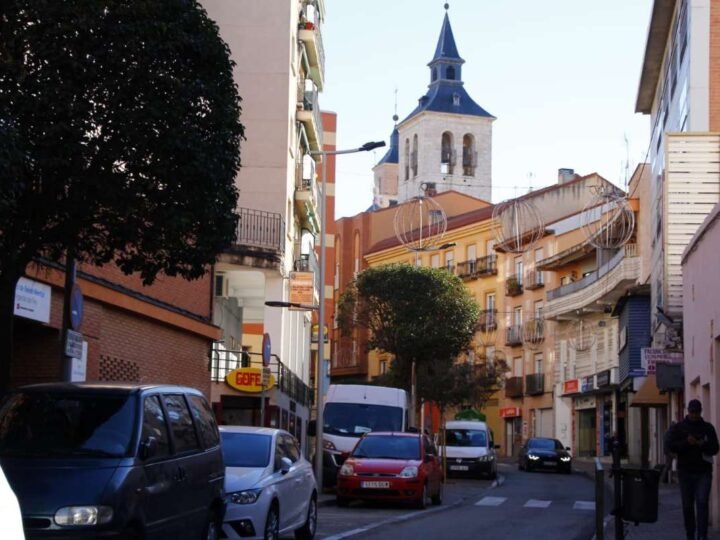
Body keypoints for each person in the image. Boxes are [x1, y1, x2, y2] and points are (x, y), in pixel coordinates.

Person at [667, 399, 719, 540]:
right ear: (688, 411)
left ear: (700, 411)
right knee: (687, 505)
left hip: (703, 472)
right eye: (692, 412)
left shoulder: (707, 428)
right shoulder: (680, 427)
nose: (694, 415)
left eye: (696, 412)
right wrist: (686, 443)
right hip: (685, 471)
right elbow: (670, 445)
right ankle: (690, 535)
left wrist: (700, 444)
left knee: (702, 503)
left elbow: (715, 448)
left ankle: (702, 536)